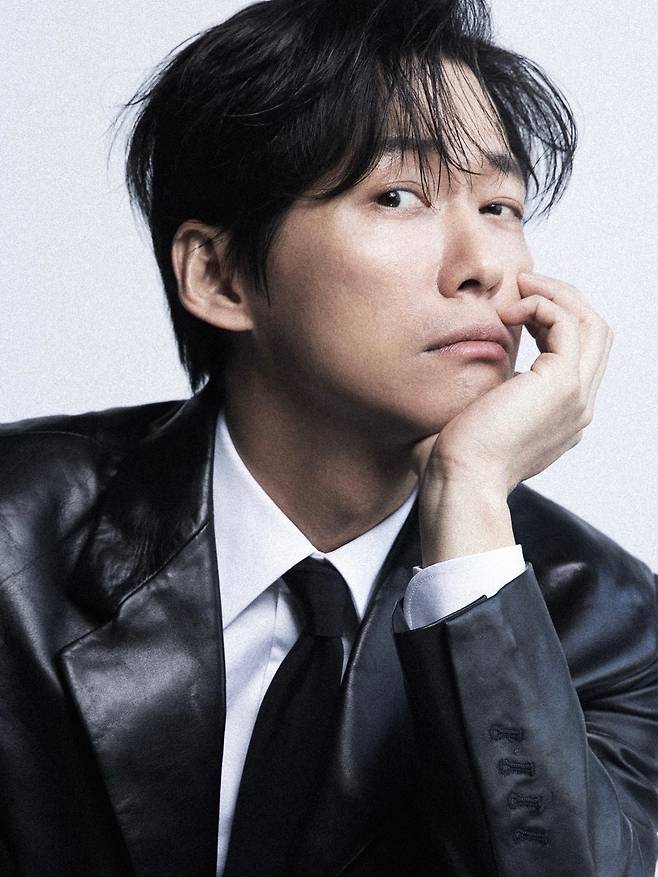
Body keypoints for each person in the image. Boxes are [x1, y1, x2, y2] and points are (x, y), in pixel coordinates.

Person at [1, 0, 656, 874]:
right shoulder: (16, 537)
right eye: (398, 196)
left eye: (500, 204)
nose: (485, 266)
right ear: (220, 276)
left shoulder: (609, 622)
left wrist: (468, 498)